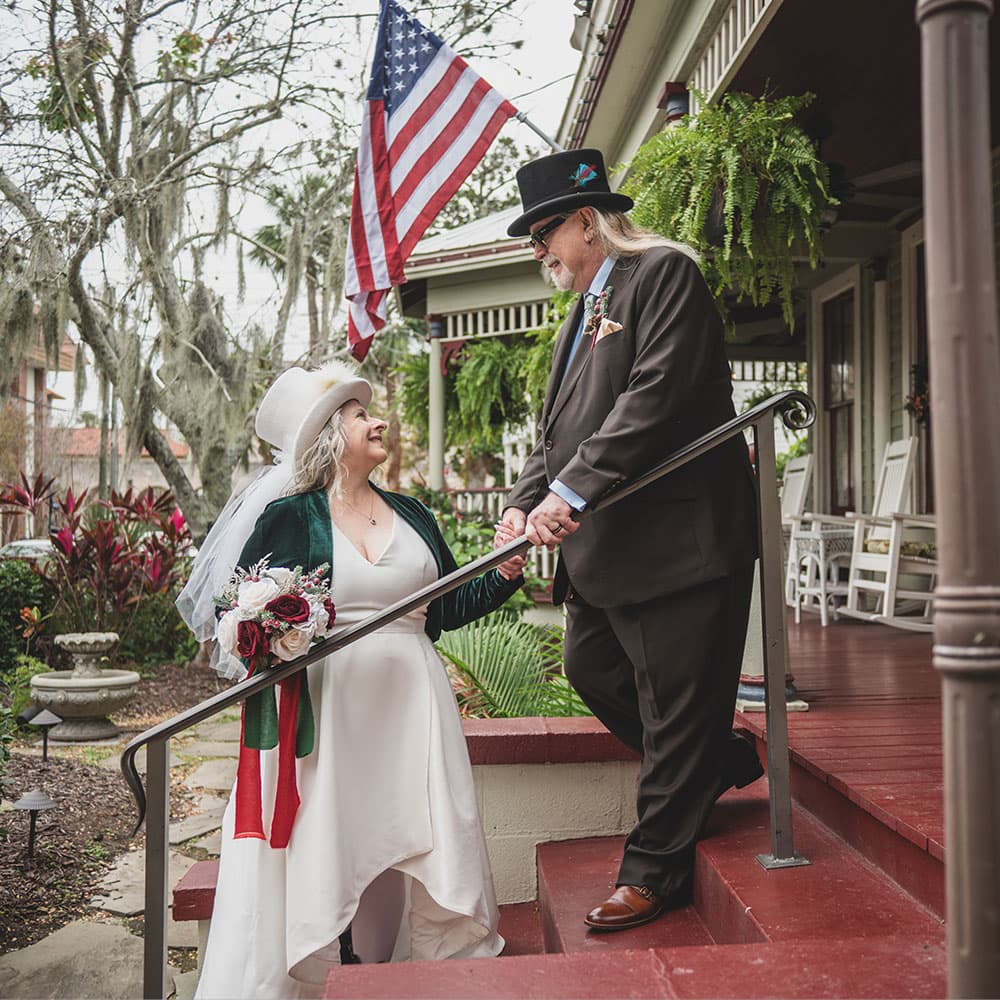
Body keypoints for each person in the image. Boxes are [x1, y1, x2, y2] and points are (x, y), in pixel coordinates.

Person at [177, 360, 523, 998]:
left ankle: (398, 976)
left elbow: (444, 607)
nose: (379, 420)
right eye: (362, 414)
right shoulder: (291, 517)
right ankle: (337, 972)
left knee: (408, 839)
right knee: (338, 837)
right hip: (331, 713)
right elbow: (244, 614)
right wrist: (272, 630)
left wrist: (503, 571)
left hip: (413, 706)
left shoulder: (414, 513)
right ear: (331, 436)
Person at [494, 148, 763, 932]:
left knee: (678, 707)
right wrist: (521, 506)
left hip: (678, 541)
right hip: (608, 554)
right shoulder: (578, 316)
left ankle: (654, 872)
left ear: (586, 220)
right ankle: (717, 764)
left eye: (543, 234)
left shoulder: (664, 276)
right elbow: (554, 437)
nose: (538, 252)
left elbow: (653, 399)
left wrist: (569, 493)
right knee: (592, 667)